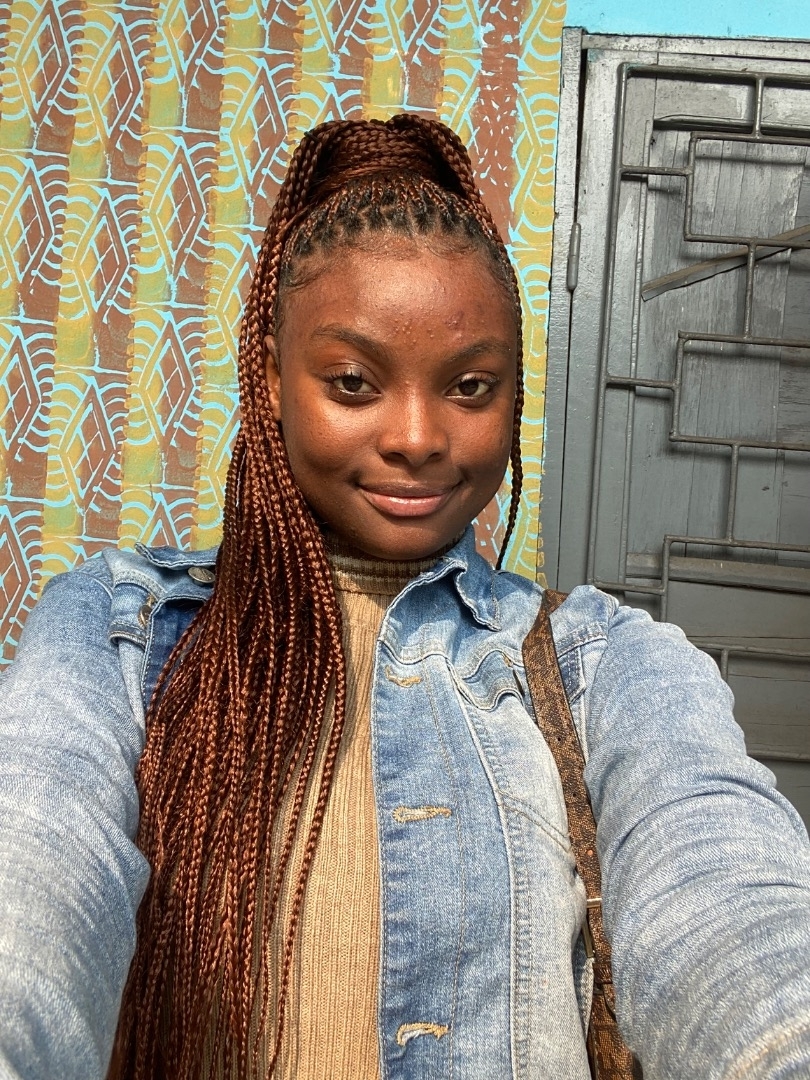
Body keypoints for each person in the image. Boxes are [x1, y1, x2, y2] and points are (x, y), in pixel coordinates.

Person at [0, 114, 809, 1080]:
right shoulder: (119, 633)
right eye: (353, 382)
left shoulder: (607, 664)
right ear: (271, 382)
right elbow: (34, 876)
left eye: (470, 387)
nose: (418, 437)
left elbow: (725, 905)